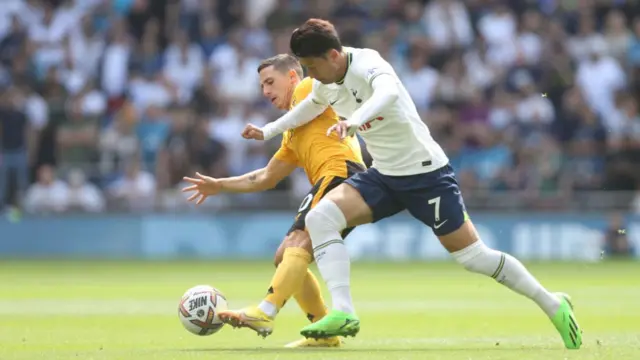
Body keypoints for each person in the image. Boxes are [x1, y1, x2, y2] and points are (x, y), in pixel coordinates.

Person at [241, 19, 583, 349]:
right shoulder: (321, 83)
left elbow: (387, 92)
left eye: (312, 67)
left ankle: (552, 304)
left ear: (333, 56)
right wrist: (268, 131)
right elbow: (307, 109)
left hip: (426, 175)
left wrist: (355, 121)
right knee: (320, 218)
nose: (309, 76)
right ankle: (344, 311)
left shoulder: (368, 63)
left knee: (474, 257)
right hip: (385, 175)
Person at [181, 54, 365, 348]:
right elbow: (266, 177)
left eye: (270, 82)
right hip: (333, 178)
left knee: (296, 243)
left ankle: (266, 311)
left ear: (292, 77)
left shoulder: (308, 87)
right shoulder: (293, 133)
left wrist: (267, 129)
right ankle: (326, 333)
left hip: (340, 173)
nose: (265, 91)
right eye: (262, 86)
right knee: (285, 256)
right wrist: (220, 185)